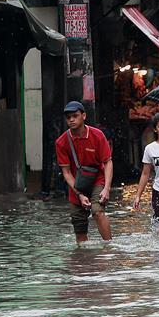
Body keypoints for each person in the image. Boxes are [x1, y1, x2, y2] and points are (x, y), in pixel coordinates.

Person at [55, 101, 113, 243]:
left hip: (97, 179)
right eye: (68, 117)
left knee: (98, 212)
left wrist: (107, 188)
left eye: (75, 116)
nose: (71, 120)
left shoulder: (97, 135)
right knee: (79, 223)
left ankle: (110, 248)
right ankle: (83, 260)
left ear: (84, 116)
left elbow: (107, 161)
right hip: (76, 184)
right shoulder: (61, 142)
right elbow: (66, 172)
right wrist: (79, 194)